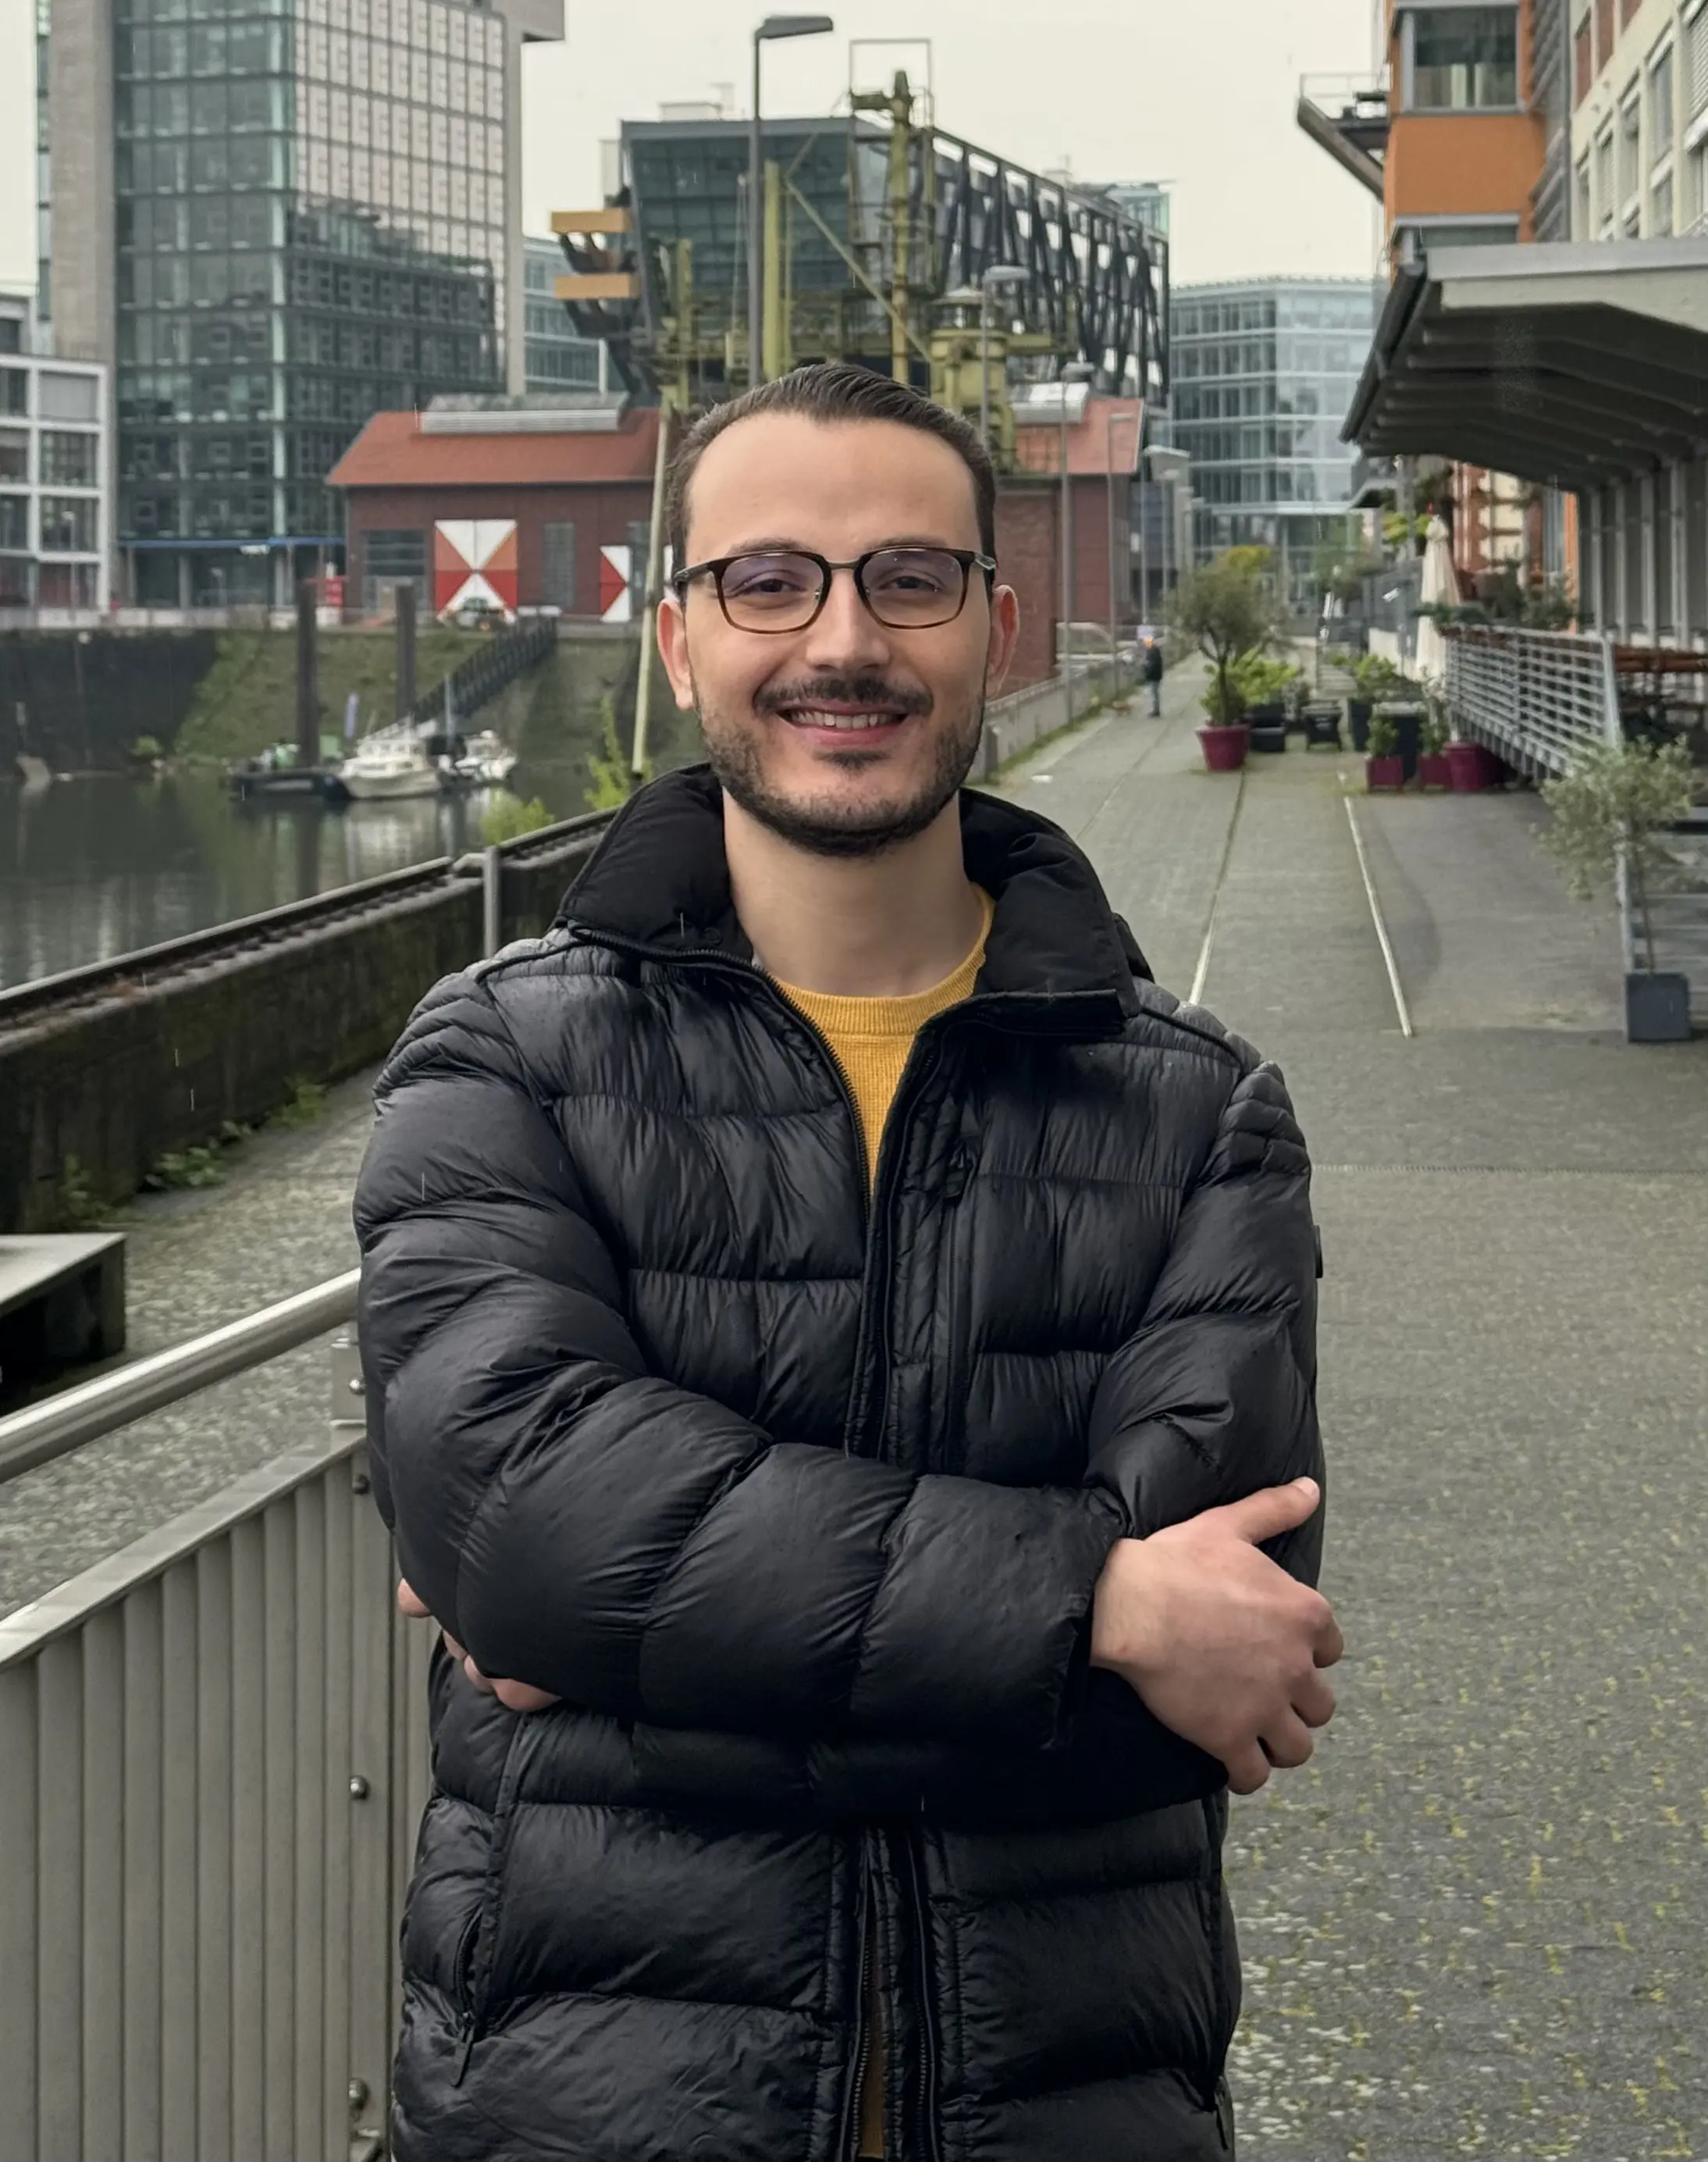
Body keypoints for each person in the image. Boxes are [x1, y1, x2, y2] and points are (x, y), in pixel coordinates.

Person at [356, 360, 1339, 2162]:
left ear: (993, 625)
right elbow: (520, 1518)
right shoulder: (502, 1059)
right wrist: (1097, 1605)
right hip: (595, 2105)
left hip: (1058, 2101)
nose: (840, 639)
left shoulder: (1199, 1113)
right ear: (678, 639)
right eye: (768, 579)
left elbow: (1182, 1712)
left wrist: (625, 1635)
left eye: (906, 577)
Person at [1143, 632, 1165, 715]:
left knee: (1154, 694)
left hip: (1154, 676)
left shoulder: (1153, 651)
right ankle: (1155, 709)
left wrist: (1146, 666)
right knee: (1154, 693)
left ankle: (1156, 711)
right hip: (1155, 675)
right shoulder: (1154, 650)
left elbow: (1152, 664)